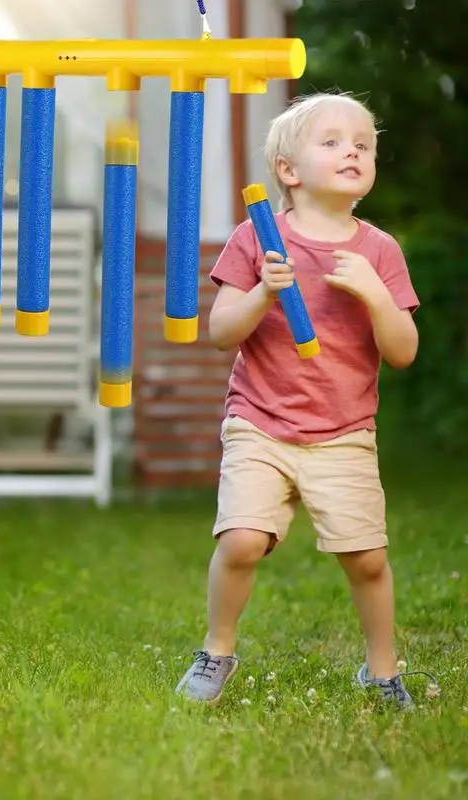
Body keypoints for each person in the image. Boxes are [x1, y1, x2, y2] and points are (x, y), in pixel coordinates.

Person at [175, 93, 422, 709]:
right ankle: (218, 649)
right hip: (259, 421)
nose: (353, 151)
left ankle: (382, 669)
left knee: (366, 559)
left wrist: (375, 295)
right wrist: (262, 291)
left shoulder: (380, 251)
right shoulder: (256, 237)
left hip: (343, 430)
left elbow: (403, 351)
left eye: (363, 144)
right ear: (289, 170)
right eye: (333, 141)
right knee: (241, 541)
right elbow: (221, 331)